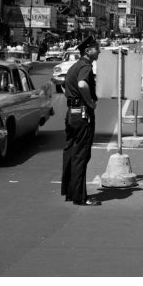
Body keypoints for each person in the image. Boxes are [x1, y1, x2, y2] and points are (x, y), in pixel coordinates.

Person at [61, 36, 102, 207]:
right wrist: (90, 102)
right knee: (81, 155)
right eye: (96, 48)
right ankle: (80, 197)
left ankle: (71, 192)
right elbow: (83, 85)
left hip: (72, 113)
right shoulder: (85, 66)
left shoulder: (74, 67)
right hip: (83, 114)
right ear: (87, 51)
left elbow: (65, 88)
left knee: (71, 152)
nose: (98, 51)